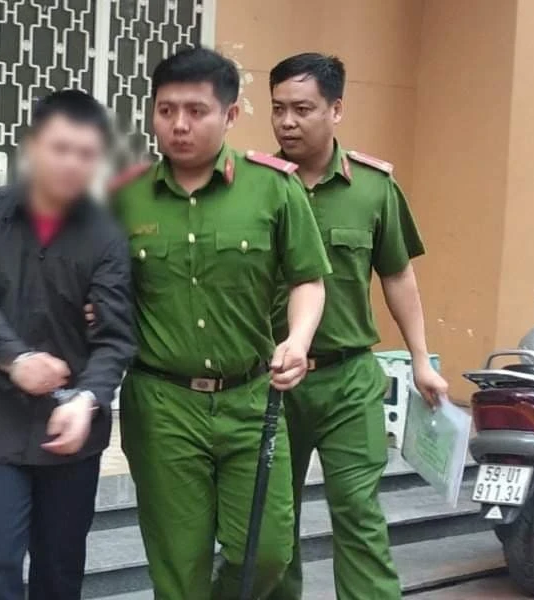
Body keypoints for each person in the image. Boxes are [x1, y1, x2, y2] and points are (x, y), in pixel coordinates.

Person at [110, 47, 331, 600]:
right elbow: (98, 293)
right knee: (177, 568)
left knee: (267, 551)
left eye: (196, 111)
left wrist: (298, 340)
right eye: (166, 110)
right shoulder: (125, 197)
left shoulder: (273, 187)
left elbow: (308, 279)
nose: (179, 125)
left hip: (252, 400)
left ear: (230, 115)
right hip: (162, 406)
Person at [264, 53, 450, 600]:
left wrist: (421, 360)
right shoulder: (256, 185)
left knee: (358, 512)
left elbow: (398, 275)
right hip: (271, 382)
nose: (287, 122)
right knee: (272, 520)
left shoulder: (373, 188)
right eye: (278, 109)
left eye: (302, 109)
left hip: (348, 381)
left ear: (336, 109)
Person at [0, 89, 136, 600]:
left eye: (86, 153)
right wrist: (16, 359)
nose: (72, 163)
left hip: (73, 431)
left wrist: (88, 399)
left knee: (60, 573)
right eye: (60, 148)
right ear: (32, 147)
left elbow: (115, 337)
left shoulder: (106, 236)